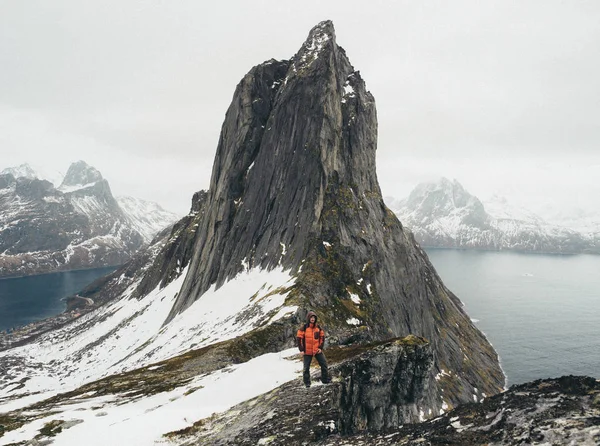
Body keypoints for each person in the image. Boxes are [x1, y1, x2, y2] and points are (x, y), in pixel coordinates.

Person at [297, 311, 330, 387]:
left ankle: (325, 380)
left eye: (314, 318)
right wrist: (301, 350)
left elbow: (322, 337)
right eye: (311, 317)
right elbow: (299, 339)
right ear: (308, 318)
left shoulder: (318, 328)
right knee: (306, 369)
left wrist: (320, 348)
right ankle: (307, 384)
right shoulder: (303, 328)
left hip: (316, 350)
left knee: (324, 364)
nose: (312, 319)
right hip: (307, 351)